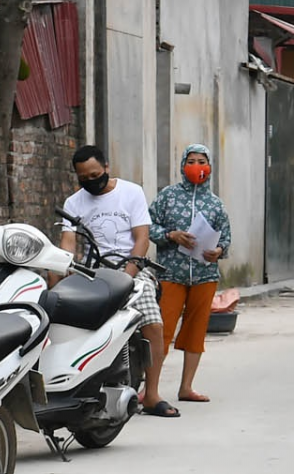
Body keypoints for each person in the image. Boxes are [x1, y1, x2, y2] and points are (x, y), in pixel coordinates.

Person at [60, 145, 174, 417]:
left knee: (153, 323)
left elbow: (142, 239)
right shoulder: (73, 203)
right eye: (83, 178)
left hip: (131, 268)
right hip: (93, 272)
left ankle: (153, 394)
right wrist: (58, 273)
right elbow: (67, 243)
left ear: (107, 167)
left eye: (95, 174)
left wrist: (128, 275)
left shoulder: (131, 192)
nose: (91, 181)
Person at [148, 144, 232, 404]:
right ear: (183, 164)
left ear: (210, 166)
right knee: (162, 331)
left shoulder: (216, 204)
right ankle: (150, 390)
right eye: (192, 161)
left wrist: (218, 250)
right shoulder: (167, 196)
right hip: (171, 274)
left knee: (196, 331)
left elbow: (226, 238)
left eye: (202, 161)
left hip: (205, 276)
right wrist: (171, 235)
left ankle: (186, 387)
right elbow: (148, 225)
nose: (198, 166)